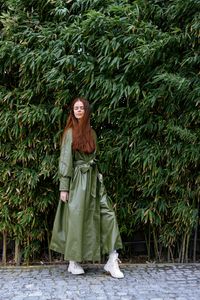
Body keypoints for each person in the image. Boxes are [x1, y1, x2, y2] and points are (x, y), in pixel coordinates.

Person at [50, 97, 124, 279]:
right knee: (76, 218)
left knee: (108, 214)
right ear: (72, 111)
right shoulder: (69, 133)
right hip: (76, 182)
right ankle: (73, 261)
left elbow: (94, 158)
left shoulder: (92, 133)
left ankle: (112, 259)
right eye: (76, 108)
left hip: (94, 181)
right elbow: (66, 160)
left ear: (87, 110)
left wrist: (99, 178)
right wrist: (64, 187)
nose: (79, 110)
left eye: (82, 107)